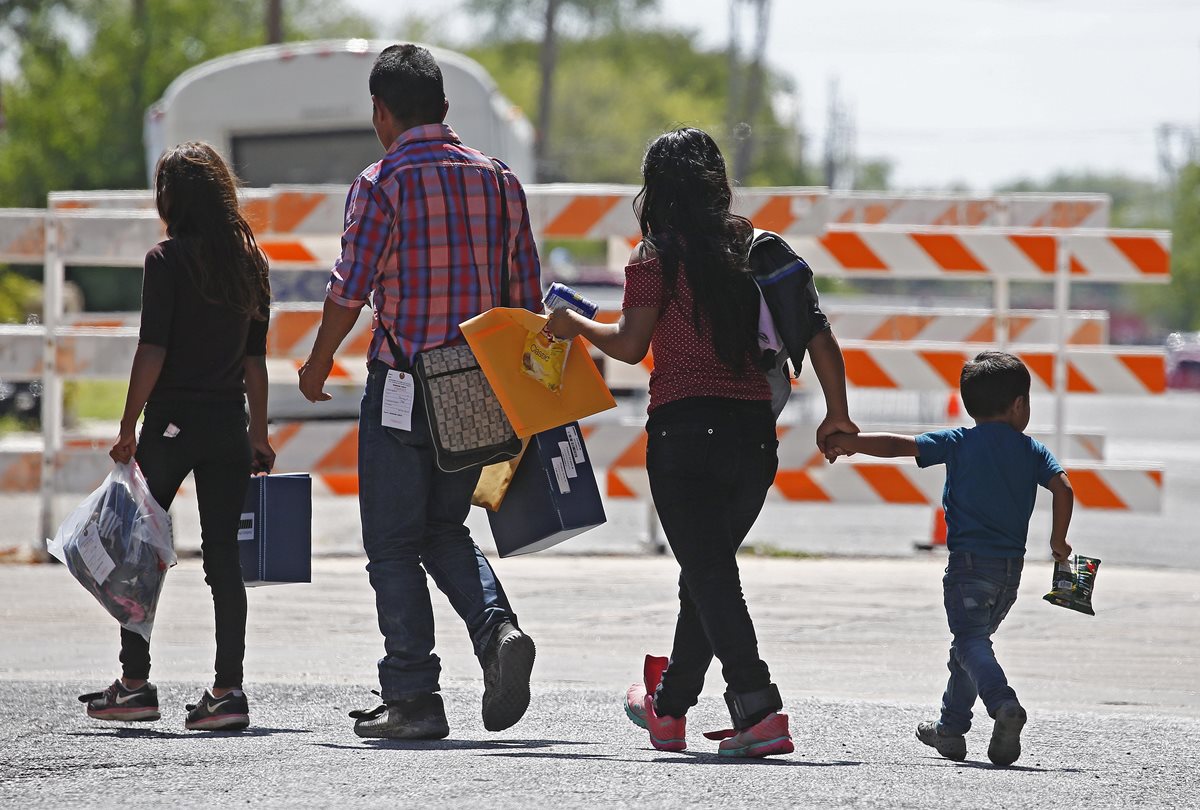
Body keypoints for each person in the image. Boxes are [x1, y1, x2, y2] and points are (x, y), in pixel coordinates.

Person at [548, 127, 857, 758]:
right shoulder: (758, 250)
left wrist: (573, 324)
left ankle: (759, 705)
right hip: (751, 438)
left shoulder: (653, 257)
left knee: (709, 571)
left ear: (656, 190)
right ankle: (669, 709)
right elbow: (820, 338)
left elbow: (632, 347)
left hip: (683, 435)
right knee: (706, 572)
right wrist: (838, 416)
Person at [297, 44, 542, 740]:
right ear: (444, 107)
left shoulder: (381, 183)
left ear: (381, 111)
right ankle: (498, 634)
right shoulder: (499, 182)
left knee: (393, 546)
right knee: (443, 527)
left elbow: (349, 290)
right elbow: (523, 299)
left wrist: (317, 364)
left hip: (405, 384)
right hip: (479, 387)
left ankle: (412, 696)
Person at [82, 141, 274, 731]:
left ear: (174, 198)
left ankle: (135, 685)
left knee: (140, 549)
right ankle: (228, 692)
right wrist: (259, 436)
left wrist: (126, 427)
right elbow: (254, 363)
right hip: (227, 428)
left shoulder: (164, 261)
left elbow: (153, 350)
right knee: (223, 562)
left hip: (169, 425)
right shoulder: (250, 262)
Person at [824, 350, 1074, 767]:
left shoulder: (959, 442)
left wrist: (849, 443)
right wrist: (1059, 542)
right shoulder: (1033, 451)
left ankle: (1002, 703)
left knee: (970, 642)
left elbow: (897, 445)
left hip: (968, 568)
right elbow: (1064, 489)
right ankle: (952, 731)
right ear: (1019, 405)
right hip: (1010, 573)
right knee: (969, 645)